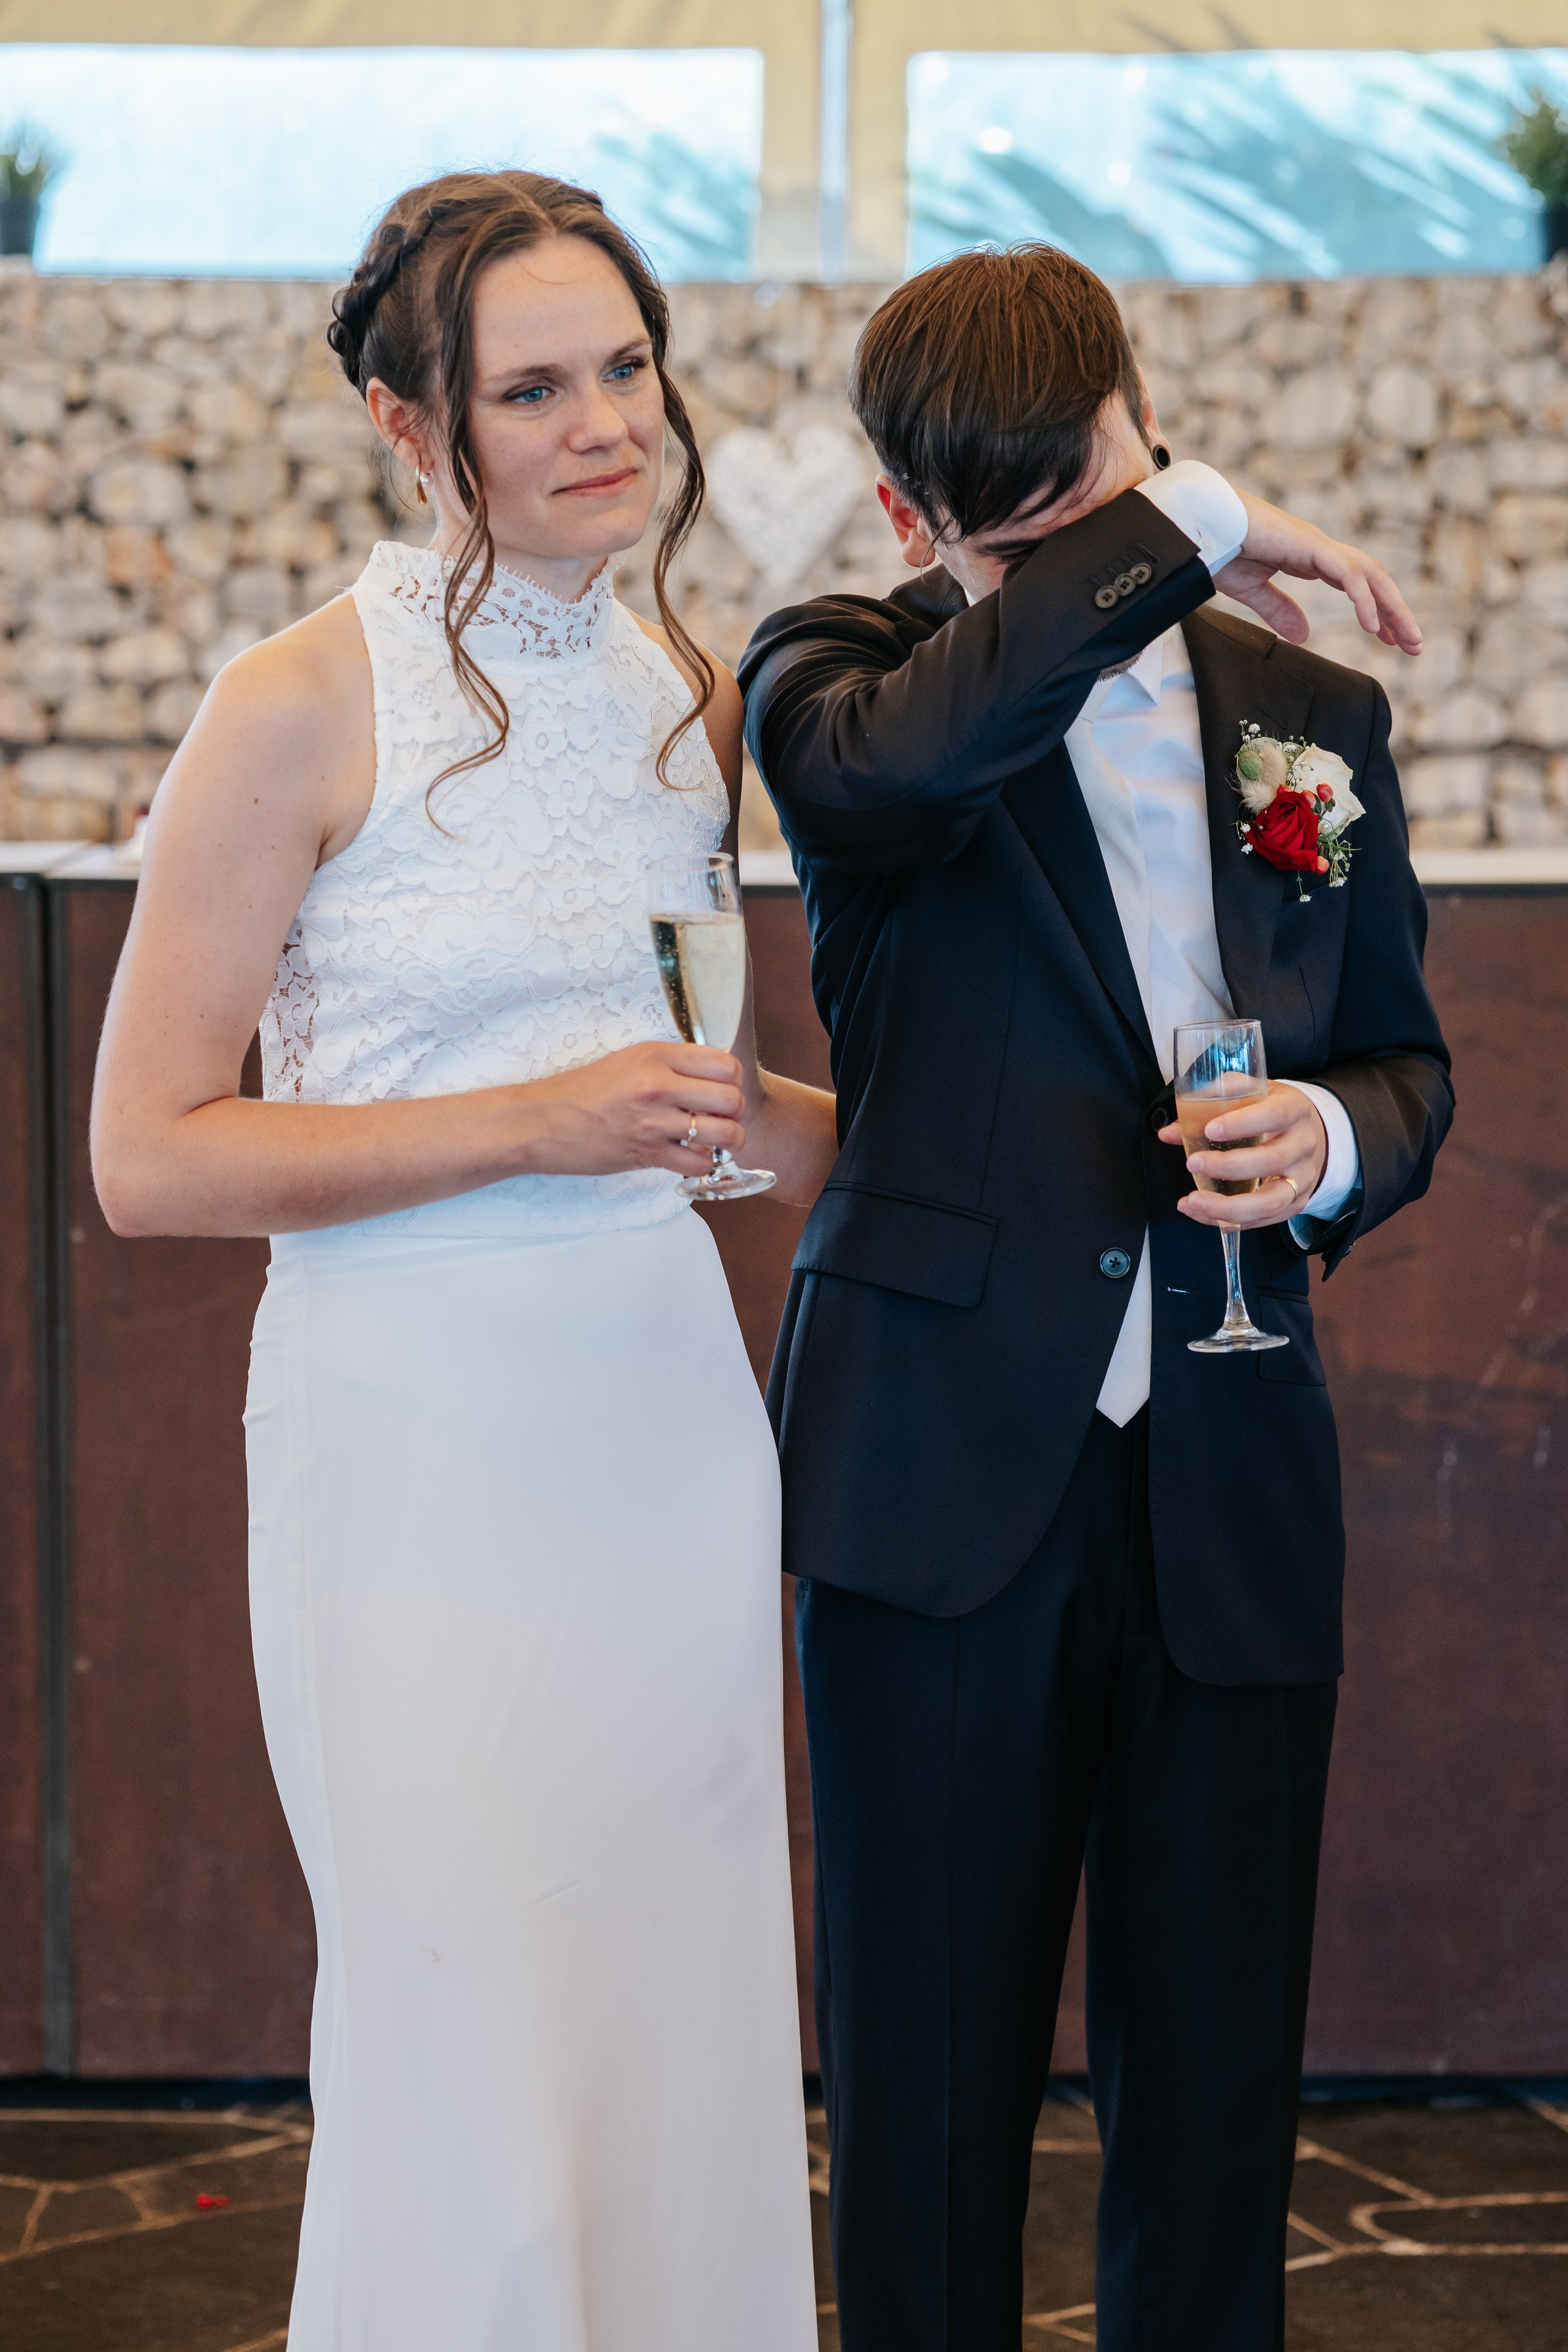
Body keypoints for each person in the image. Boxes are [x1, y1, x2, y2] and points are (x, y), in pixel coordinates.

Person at [90, 170, 832, 2352]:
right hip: (412, 1443)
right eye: (535, 388)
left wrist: (964, 1165)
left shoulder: (688, 696)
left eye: (626, 367)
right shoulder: (295, 703)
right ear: (419, 429)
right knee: (469, 2023)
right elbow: (149, 1155)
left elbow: (721, 1108)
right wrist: (538, 1119)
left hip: (662, 1424)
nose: (610, 423)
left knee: (668, 2026)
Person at [738, 244, 1452, 2352]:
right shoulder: (845, 684)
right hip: (938, 1490)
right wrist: (1190, 522)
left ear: (1144, 415)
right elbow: (909, 759)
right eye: (1023, 533)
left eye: (1107, 494)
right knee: (928, 2095)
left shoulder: (1314, 721)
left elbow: (1404, 1054)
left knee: (1217, 2100)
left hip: (1232, 1474)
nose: (1090, 564)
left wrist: (1333, 1145)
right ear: (911, 525)